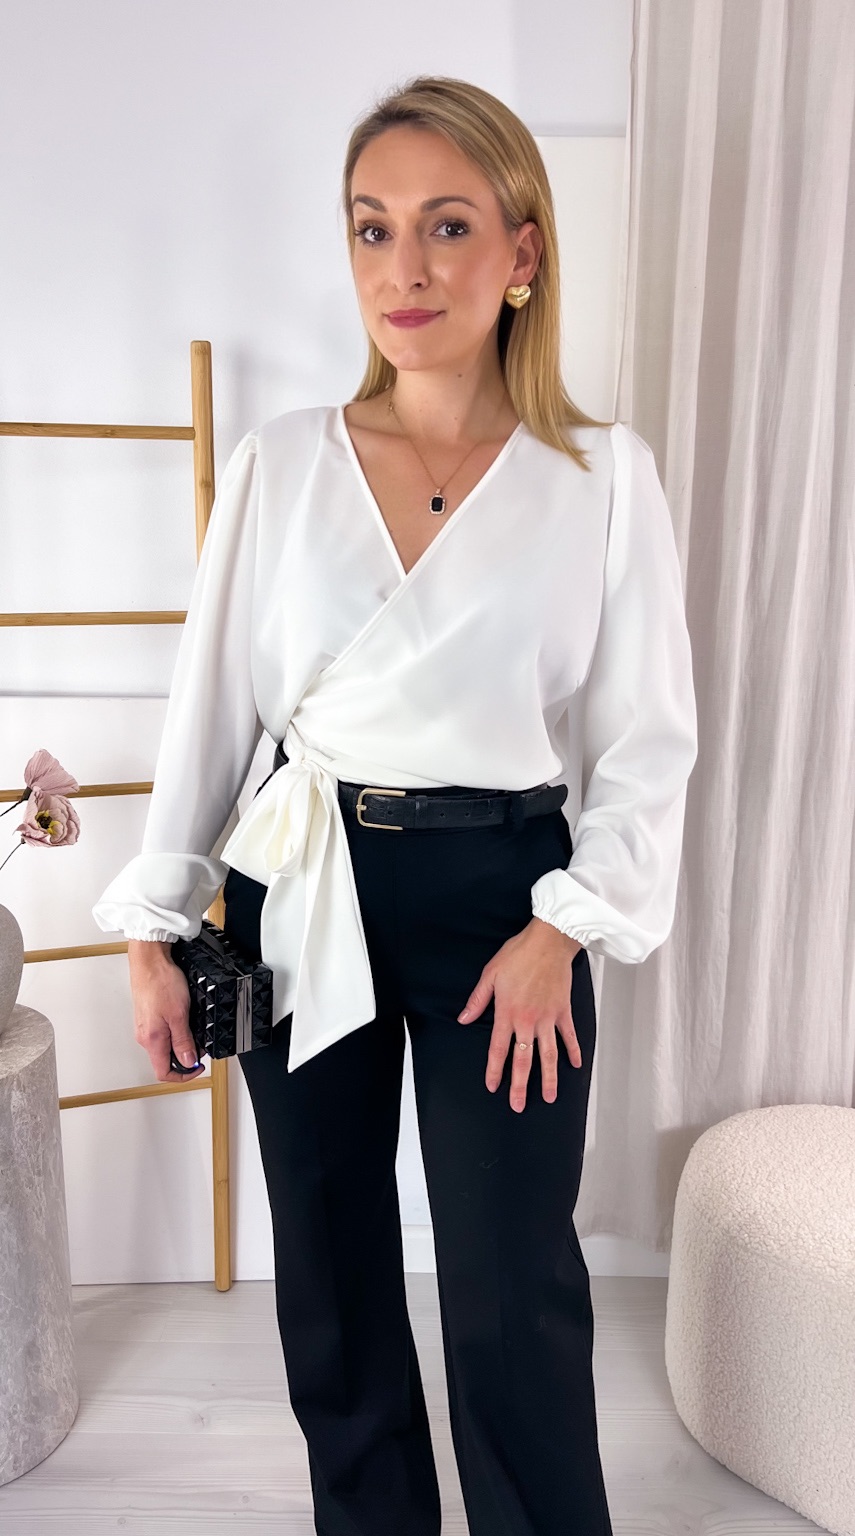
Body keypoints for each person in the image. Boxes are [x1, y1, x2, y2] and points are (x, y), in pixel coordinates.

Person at [93, 73, 698, 1536]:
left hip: (509, 901)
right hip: (300, 882)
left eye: (447, 225)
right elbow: (212, 709)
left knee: (511, 1279)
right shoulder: (282, 463)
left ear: (523, 251)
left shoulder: (601, 478)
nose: (404, 268)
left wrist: (567, 927)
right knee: (332, 1262)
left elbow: (647, 742)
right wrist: (155, 924)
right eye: (372, 228)